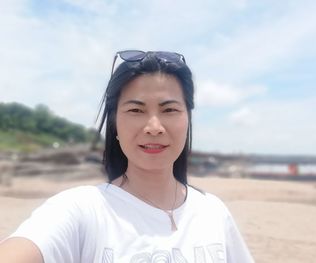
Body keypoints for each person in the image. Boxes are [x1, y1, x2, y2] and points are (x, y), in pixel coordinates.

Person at [0, 50, 254, 262]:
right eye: (135, 109)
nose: (154, 126)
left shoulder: (213, 212)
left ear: (187, 119)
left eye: (169, 109)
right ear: (115, 125)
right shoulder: (82, 209)